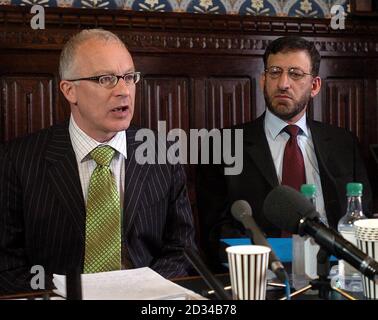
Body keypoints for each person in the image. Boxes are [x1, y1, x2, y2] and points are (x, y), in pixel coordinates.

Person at [0, 29, 196, 294]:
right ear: (70, 90)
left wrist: (143, 293)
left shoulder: (163, 152)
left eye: (129, 77)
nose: (124, 91)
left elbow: (182, 248)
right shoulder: (18, 160)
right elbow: (7, 264)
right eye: (106, 79)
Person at [196, 36, 373, 271]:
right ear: (263, 80)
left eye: (295, 74)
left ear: (315, 86)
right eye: (275, 72)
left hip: (337, 272)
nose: (283, 83)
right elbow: (214, 232)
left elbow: (363, 219)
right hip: (259, 274)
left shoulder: (343, 144)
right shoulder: (223, 145)